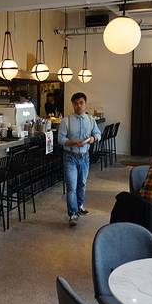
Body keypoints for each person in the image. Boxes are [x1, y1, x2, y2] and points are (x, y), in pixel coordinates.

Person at [58, 92, 102, 226]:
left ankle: (80, 205)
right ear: (72, 105)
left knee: (82, 184)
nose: (78, 105)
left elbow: (98, 133)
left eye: (81, 103)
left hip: (85, 157)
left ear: (85, 104)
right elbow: (60, 139)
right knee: (71, 186)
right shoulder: (66, 121)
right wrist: (73, 142)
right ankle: (73, 213)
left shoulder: (90, 120)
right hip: (70, 157)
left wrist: (93, 138)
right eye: (76, 103)